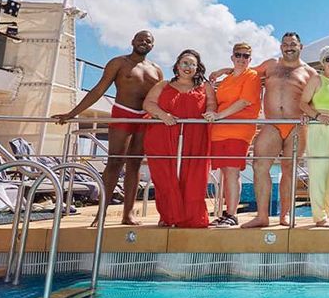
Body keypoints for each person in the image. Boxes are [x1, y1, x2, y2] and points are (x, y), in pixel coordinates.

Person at [53, 30, 164, 226]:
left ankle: (128, 214)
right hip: (123, 113)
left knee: (135, 164)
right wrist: (72, 113)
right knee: (114, 162)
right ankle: (101, 214)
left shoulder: (156, 70)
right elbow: (98, 90)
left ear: (152, 46)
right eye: (140, 39)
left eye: (148, 41)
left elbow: (161, 97)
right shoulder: (119, 62)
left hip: (145, 117)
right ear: (132, 41)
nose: (143, 43)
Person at [211, 32, 316, 227]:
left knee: (289, 169)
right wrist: (225, 70)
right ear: (281, 47)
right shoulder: (271, 65)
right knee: (259, 165)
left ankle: (285, 214)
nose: (289, 47)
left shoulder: (310, 73)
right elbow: (245, 71)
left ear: (301, 46)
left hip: (296, 125)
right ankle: (262, 216)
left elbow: (315, 99)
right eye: (285, 44)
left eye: (293, 44)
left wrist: (310, 114)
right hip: (272, 123)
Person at [142, 49, 215, 228]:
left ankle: (192, 217)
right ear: (177, 65)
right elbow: (148, 104)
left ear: (198, 68)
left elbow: (211, 103)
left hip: (195, 136)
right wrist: (163, 115)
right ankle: (168, 215)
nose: (188, 67)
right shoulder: (163, 85)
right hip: (163, 135)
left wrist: (210, 112)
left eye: (192, 64)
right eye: (185, 63)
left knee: (194, 177)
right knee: (165, 176)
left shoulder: (205, 86)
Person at [206, 42, 261, 228]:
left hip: (239, 130)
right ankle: (225, 214)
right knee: (224, 172)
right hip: (219, 132)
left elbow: (245, 101)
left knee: (232, 171)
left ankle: (232, 214)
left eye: (246, 56)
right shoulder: (227, 78)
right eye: (238, 55)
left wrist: (219, 115)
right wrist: (223, 70)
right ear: (232, 57)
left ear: (250, 59)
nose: (241, 58)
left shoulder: (252, 76)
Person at [298, 45, 329, 228]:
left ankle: (327, 213)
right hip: (319, 127)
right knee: (318, 172)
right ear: (322, 62)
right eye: (328, 59)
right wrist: (318, 116)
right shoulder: (316, 79)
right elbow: (303, 103)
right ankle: (319, 216)